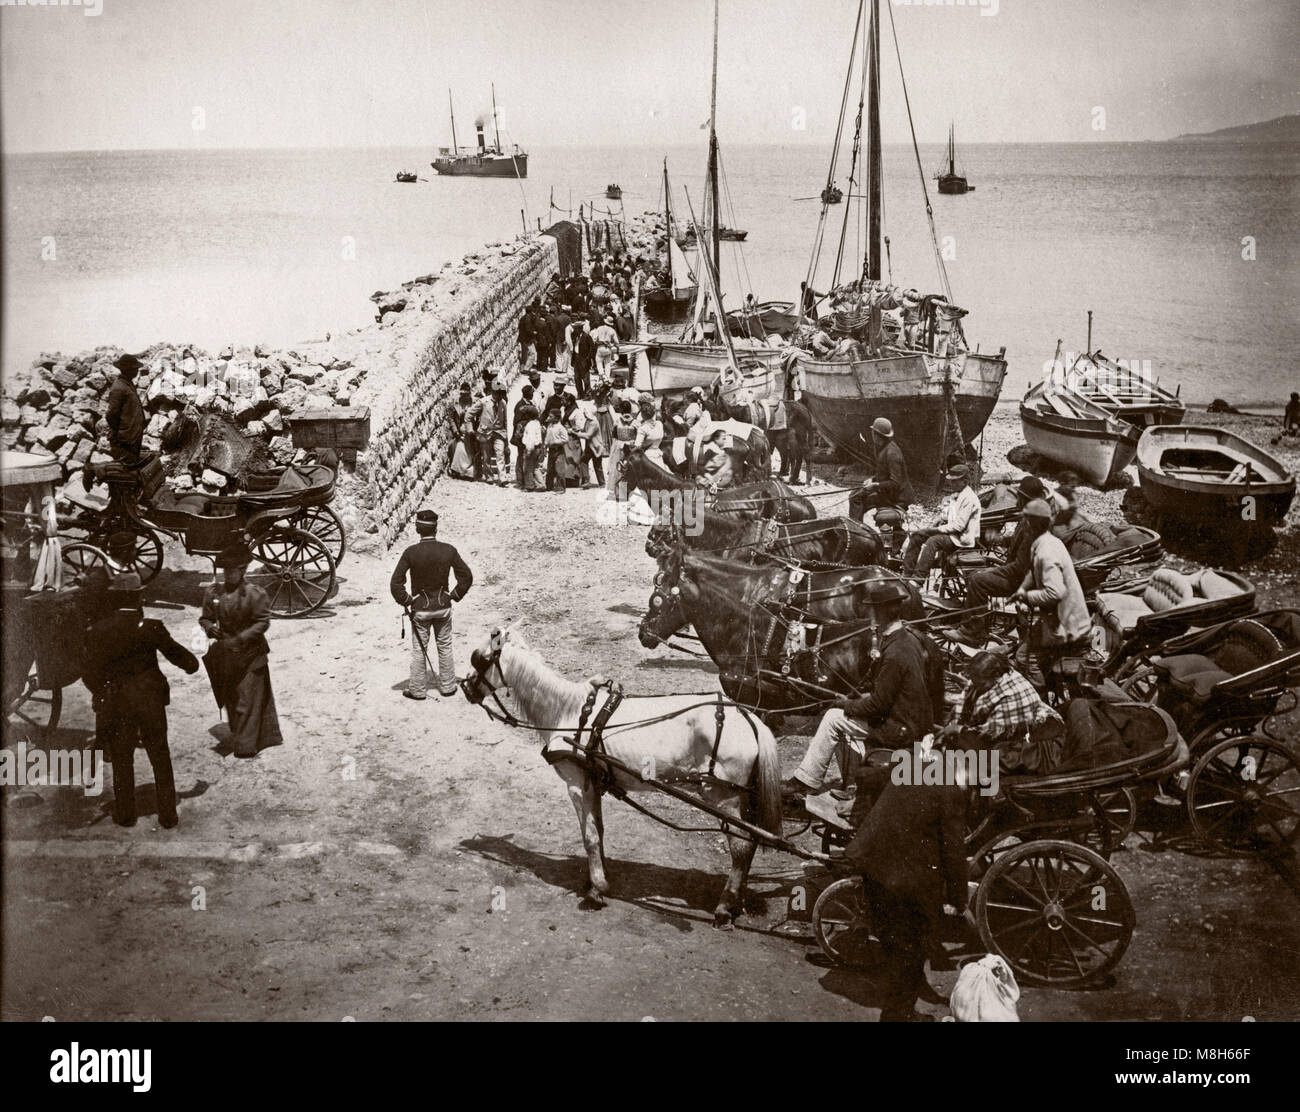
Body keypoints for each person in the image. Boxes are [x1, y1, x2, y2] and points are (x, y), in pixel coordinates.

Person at [836, 761, 968, 1022]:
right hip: (901, 876)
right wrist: (958, 898)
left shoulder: (918, 765)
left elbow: (869, 777)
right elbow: (953, 849)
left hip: (872, 862)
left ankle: (901, 1010)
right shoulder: (952, 789)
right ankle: (898, 1016)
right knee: (913, 948)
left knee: (894, 944)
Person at [782, 598, 943, 805]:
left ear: (882, 614)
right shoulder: (905, 639)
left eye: (873, 611)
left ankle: (806, 781)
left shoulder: (895, 652)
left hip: (901, 729)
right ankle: (853, 784)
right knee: (845, 718)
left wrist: (845, 704)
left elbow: (878, 705)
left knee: (833, 718)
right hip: (910, 720)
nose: (870, 616)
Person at [82, 572, 199, 828]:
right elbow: (178, 655)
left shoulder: (100, 631)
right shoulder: (151, 627)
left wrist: (102, 691)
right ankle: (168, 814)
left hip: (118, 703)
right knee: (159, 753)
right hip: (150, 701)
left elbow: (88, 672)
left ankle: (125, 815)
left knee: (123, 758)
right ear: (138, 598)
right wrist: (192, 664)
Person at [200, 543, 285, 758]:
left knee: (248, 699)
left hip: (251, 654)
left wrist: (241, 638)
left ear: (243, 571)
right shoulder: (213, 593)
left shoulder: (255, 595)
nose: (228, 575)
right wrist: (210, 628)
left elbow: (262, 622)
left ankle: (246, 746)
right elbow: (206, 618)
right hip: (226, 655)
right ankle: (242, 735)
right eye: (225, 571)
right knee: (232, 697)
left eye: (233, 571)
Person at [950, 476, 1046, 645]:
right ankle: (976, 621)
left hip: (1022, 582)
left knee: (977, 580)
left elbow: (1019, 567)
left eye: (1020, 498)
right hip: (1018, 574)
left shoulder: (1033, 525)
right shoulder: (1029, 518)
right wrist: (1001, 539)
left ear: (1025, 499)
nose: (1017, 501)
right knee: (977, 574)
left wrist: (992, 571)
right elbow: (1017, 541)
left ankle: (972, 633)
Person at [389, 510, 473, 700]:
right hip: (444, 606)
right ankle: (448, 686)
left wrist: (408, 600)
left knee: (420, 650)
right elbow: (466, 576)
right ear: (436, 528)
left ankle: (418, 690)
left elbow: (396, 584)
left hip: (421, 609)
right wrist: (453, 596)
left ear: (418, 529)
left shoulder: (410, 552)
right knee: (445, 646)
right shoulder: (448, 550)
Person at [1011, 499, 1092, 692]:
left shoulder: (1046, 552)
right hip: (1064, 616)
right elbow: (1033, 571)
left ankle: (1040, 706)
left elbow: (1055, 592)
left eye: (1025, 522)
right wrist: (1022, 589)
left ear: (1030, 524)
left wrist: (1027, 597)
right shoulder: (1048, 541)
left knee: (1024, 657)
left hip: (1066, 625)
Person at [942, 651, 1065, 774]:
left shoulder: (1010, 695)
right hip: (1014, 728)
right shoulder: (995, 677)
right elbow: (970, 690)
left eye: (981, 684)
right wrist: (957, 721)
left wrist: (961, 730)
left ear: (996, 676)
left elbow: (990, 734)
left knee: (987, 756)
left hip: (1037, 737)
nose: (977, 686)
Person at [900, 464, 981, 579]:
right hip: (952, 534)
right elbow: (947, 515)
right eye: (951, 481)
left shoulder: (969, 498)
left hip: (961, 538)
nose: (951, 484)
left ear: (965, 481)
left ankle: (918, 579)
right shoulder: (957, 495)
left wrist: (935, 530)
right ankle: (907, 574)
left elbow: (958, 526)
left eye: (955, 481)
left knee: (933, 541)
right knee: (916, 535)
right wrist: (933, 524)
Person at [848, 418, 915, 540]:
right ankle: (858, 531)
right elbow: (884, 474)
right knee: (855, 494)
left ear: (877, 435)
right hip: (889, 493)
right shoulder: (884, 448)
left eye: (873, 433)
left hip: (897, 498)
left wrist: (875, 485)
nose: (872, 436)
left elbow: (895, 483)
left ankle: (857, 535)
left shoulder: (892, 453)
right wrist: (872, 479)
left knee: (855, 498)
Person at [105, 352, 147, 464]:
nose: (137, 371)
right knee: (125, 471)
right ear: (128, 370)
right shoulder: (119, 387)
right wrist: (121, 433)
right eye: (135, 368)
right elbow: (111, 415)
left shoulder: (127, 384)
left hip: (132, 437)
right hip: (125, 440)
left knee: (132, 468)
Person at [570, 404, 607, 487]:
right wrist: (578, 429)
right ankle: (587, 480)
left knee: (597, 465)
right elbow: (585, 430)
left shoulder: (594, 423)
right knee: (584, 461)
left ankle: (602, 483)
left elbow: (588, 435)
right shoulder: (588, 421)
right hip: (590, 446)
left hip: (595, 446)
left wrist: (576, 433)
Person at [513, 386, 541, 488]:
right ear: (526, 393)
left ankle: (527, 481)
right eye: (531, 392)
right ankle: (520, 481)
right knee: (521, 458)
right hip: (522, 436)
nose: (532, 394)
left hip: (529, 436)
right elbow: (517, 422)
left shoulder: (529, 404)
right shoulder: (520, 405)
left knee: (527, 459)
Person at [448, 384, 477, 480]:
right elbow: (451, 419)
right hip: (459, 431)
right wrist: (456, 432)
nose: (464, 397)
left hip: (471, 431)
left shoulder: (474, 403)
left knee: (469, 447)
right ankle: (457, 470)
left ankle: (469, 472)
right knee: (454, 446)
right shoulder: (456, 404)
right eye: (462, 395)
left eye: (466, 395)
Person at [544, 409, 571, 493]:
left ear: (556, 418)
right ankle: (549, 486)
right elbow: (547, 437)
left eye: (551, 416)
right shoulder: (550, 426)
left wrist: (556, 442)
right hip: (551, 450)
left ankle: (561, 487)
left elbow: (565, 439)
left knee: (559, 469)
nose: (549, 418)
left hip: (558, 450)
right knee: (550, 468)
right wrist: (545, 445)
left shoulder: (561, 428)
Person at [634, 393, 665, 466]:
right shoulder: (659, 424)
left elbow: (637, 446)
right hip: (658, 453)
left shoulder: (643, 428)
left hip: (647, 456)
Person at [572, 321, 596, 398]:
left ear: (580, 328)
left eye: (576, 328)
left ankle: (588, 394)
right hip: (576, 358)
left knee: (585, 378)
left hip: (584, 359)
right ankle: (580, 393)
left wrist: (588, 358)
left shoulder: (586, 336)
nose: (574, 330)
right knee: (577, 378)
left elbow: (592, 348)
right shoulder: (575, 336)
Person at [592, 315, 620, 381]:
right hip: (608, 348)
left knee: (598, 362)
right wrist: (618, 350)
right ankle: (607, 377)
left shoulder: (599, 328)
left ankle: (601, 374)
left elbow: (594, 339)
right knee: (607, 364)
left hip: (600, 348)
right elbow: (617, 342)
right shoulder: (612, 330)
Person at [518, 303, 536, 369]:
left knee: (524, 354)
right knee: (532, 354)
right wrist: (533, 333)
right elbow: (528, 330)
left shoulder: (523, 318)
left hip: (522, 338)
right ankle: (526, 368)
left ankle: (523, 367)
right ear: (531, 312)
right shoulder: (528, 319)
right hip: (527, 339)